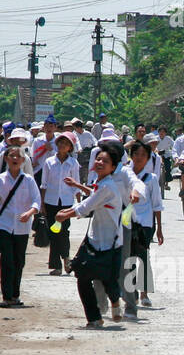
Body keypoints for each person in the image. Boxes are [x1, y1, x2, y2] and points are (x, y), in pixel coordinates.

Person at [59, 143, 126, 328]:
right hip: (94, 240)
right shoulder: (101, 184)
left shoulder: (108, 186)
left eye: (105, 161)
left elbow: (86, 206)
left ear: (113, 167)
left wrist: (65, 214)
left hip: (111, 242)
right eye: (98, 159)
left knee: (109, 281)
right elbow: (93, 197)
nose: (100, 162)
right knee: (82, 276)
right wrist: (78, 187)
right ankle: (94, 318)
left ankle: (114, 302)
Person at [0, 143, 42, 308]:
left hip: (22, 227)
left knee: (19, 261)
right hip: (4, 225)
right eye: (12, 156)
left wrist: (30, 212)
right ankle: (7, 296)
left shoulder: (29, 180)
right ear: (6, 159)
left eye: (18, 156)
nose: (15, 159)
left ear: (24, 160)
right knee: (7, 260)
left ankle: (15, 295)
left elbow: (36, 200)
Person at [123, 140, 165, 309]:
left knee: (142, 255)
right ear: (131, 156)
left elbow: (157, 204)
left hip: (145, 223)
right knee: (128, 256)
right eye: (136, 154)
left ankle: (144, 292)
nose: (139, 158)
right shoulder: (124, 175)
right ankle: (130, 292)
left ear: (148, 158)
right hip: (126, 220)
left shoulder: (151, 178)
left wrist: (159, 229)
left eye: (143, 155)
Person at [43, 132, 79, 275]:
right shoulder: (49, 162)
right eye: (60, 142)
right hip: (51, 201)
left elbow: (76, 184)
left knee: (63, 231)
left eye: (66, 143)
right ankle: (56, 265)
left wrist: (79, 204)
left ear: (70, 147)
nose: (62, 145)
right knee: (53, 232)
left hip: (66, 202)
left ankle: (65, 258)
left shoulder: (73, 163)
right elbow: (44, 184)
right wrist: (42, 204)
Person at [72, 118, 96, 182]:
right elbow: (77, 143)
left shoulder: (88, 134)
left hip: (88, 155)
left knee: (88, 171)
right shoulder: (74, 134)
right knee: (79, 172)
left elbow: (95, 141)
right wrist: (79, 149)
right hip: (78, 155)